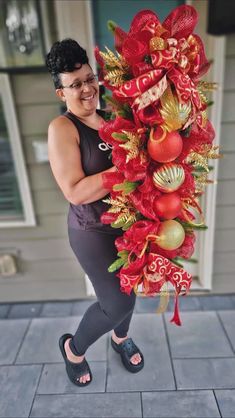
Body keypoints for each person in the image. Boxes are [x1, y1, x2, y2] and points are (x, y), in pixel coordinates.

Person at [46, 39, 144, 387]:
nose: (87, 88)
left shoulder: (110, 119)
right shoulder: (63, 128)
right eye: (75, 84)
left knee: (132, 290)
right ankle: (74, 349)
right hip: (92, 231)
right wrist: (124, 164)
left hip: (126, 225)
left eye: (89, 79)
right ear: (62, 93)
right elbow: (74, 190)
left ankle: (120, 339)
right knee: (116, 302)